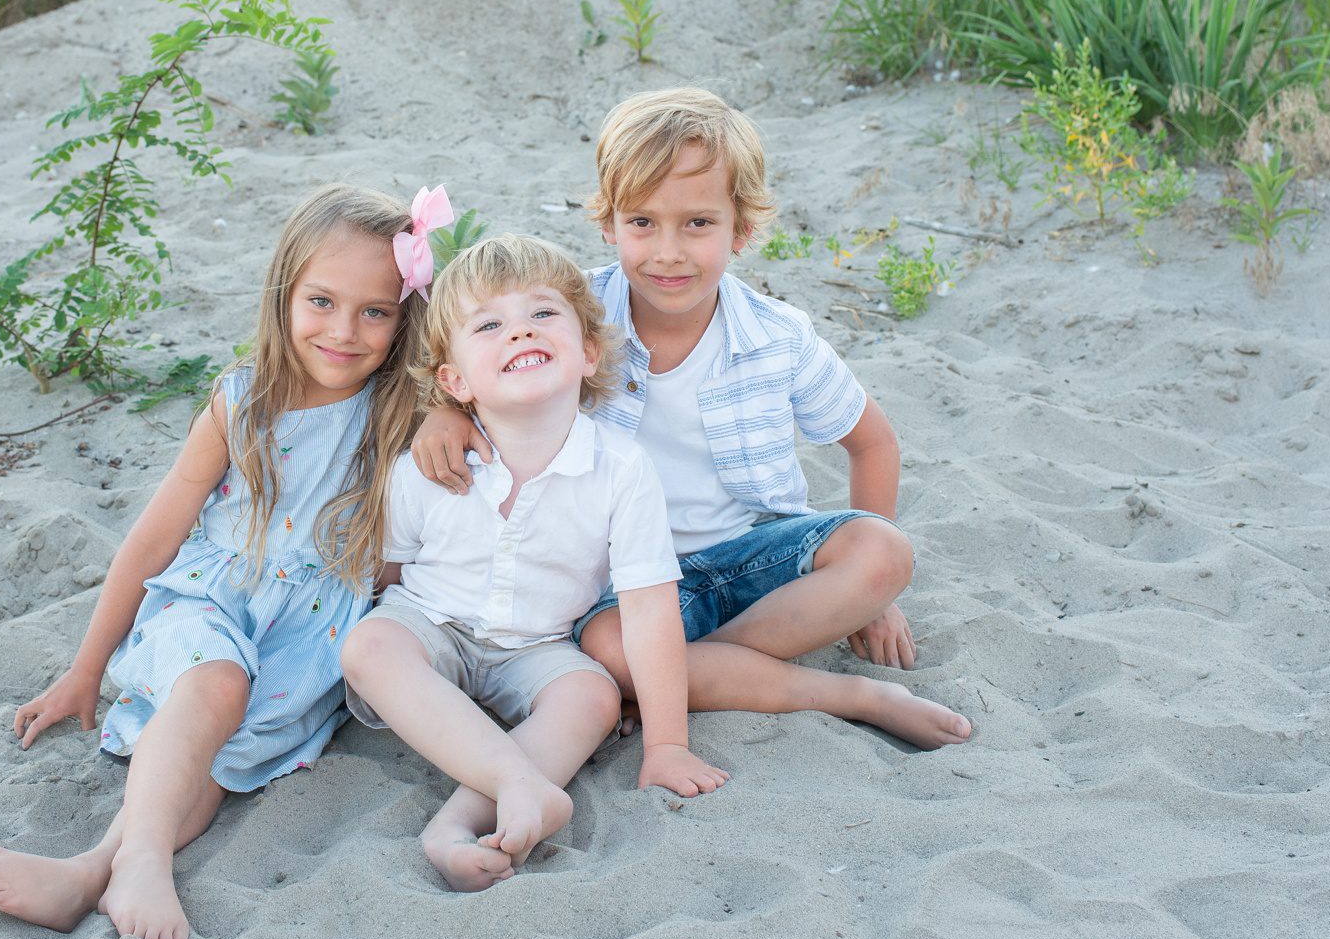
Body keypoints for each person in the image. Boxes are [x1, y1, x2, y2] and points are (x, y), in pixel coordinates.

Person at [413, 89, 971, 751]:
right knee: (608, 644)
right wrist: (444, 414)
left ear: (742, 228)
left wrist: (872, 602)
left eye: (698, 224)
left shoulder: (776, 338)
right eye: (642, 223)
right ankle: (844, 695)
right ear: (609, 223)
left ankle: (669, 683)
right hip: (626, 587)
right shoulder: (567, 316)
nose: (668, 252)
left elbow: (872, 442)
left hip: (751, 562)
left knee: (883, 552)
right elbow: (484, 362)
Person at [0, 182, 439, 939]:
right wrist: (86, 667)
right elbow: (152, 539)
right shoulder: (241, 403)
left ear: (406, 316)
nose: (344, 330)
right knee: (215, 682)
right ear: (284, 295)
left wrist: (443, 407)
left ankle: (90, 872)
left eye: (376, 311)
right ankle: (143, 860)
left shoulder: (404, 411)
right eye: (321, 301)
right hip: (213, 599)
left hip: (307, 634)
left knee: (217, 763)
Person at [341, 233, 727, 893]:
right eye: (490, 325)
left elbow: (649, 609)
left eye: (543, 314)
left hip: (542, 646)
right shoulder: (427, 468)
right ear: (455, 381)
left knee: (593, 694)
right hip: (435, 622)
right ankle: (519, 782)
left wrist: (665, 743)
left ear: (588, 351)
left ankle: (456, 823)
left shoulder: (621, 469)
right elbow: (389, 573)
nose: (520, 332)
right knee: (371, 645)